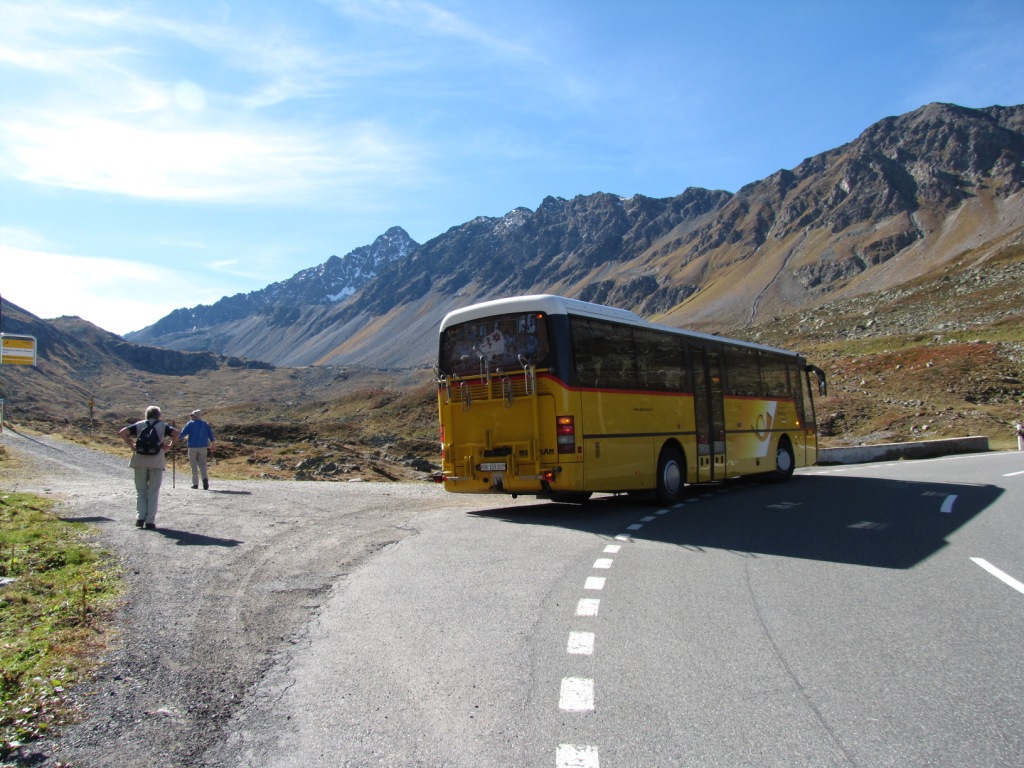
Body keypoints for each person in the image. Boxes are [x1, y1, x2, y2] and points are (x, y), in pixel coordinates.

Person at [118, 405, 179, 530]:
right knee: (153, 492)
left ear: (146, 414)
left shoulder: (139, 425)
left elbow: (122, 432)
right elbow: (176, 433)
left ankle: (140, 518)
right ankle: (150, 521)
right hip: (156, 461)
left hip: (139, 460)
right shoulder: (163, 426)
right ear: (158, 415)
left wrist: (131, 445)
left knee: (141, 491)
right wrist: (170, 446)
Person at [178, 409, 215, 489]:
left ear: (195, 416)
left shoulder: (190, 424)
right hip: (203, 447)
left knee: (193, 465)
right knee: (203, 465)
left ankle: (195, 484)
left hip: (192, 447)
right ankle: (205, 480)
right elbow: (211, 435)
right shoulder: (205, 424)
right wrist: (213, 444)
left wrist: (176, 437)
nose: (191, 417)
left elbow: (182, 434)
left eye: (192, 416)